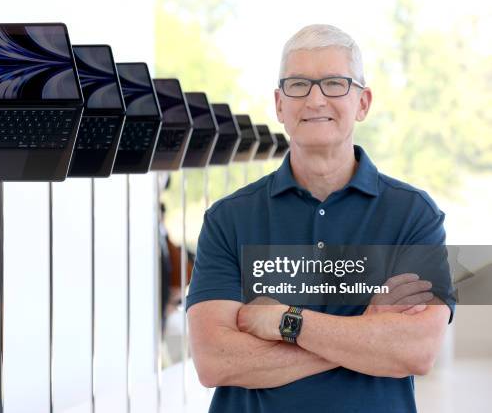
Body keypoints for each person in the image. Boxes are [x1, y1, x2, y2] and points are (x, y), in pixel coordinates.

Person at [186, 24, 455, 413]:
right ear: (279, 104)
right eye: (298, 85)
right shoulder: (228, 219)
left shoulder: (414, 215)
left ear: (363, 103)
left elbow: (415, 351)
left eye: (334, 83)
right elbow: (214, 360)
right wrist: (367, 336)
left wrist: (284, 321)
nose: (314, 100)